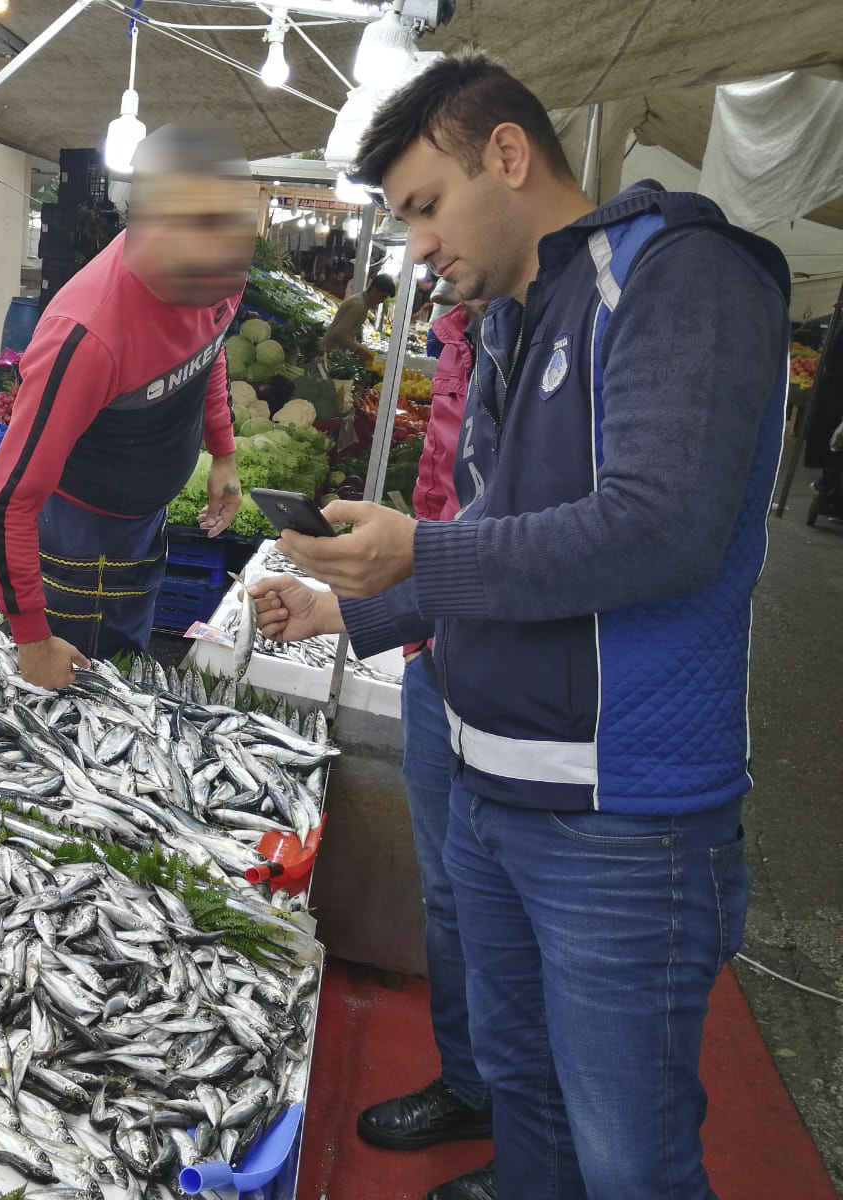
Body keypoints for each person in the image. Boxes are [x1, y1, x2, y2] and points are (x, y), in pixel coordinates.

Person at [250, 52, 787, 1200]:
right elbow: (504, 537)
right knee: (526, 1084)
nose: (418, 246)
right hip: (491, 779)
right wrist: (359, 602)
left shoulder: (681, 278)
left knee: (629, 1150)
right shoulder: (509, 321)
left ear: (507, 153)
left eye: (425, 208)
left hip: (619, 817)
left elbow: (658, 529)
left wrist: (418, 549)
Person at [0, 124, 254, 689]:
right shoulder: (83, 337)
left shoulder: (221, 267)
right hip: (78, 529)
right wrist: (31, 640)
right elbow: (7, 504)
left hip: (145, 520)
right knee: (68, 698)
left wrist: (222, 453)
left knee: (124, 670)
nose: (216, 288)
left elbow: (211, 346)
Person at [354, 293, 495, 1198]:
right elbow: (446, 512)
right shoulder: (457, 335)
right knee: (447, 894)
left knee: (514, 916)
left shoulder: (562, 338)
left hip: (511, 678)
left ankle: (533, 1150)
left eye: (431, 208)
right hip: (436, 651)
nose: (426, 250)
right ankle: (470, 1085)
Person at [323, 272, 396, 359]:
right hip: (329, 353)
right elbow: (339, 332)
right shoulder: (359, 305)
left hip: (332, 351)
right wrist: (358, 350)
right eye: (382, 297)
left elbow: (347, 332)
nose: (382, 301)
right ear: (374, 290)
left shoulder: (361, 301)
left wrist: (358, 346)